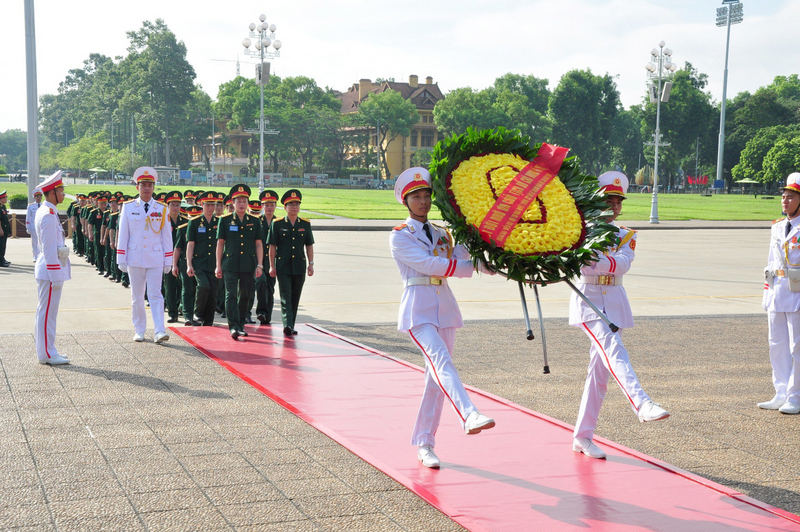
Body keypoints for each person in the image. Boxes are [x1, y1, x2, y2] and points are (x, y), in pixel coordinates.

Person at [389, 167, 496, 469]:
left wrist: (495, 261)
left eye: (426, 196)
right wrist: (468, 266)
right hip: (418, 310)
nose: (423, 202)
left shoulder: (442, 233)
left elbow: (466, 258)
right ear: (406, 201)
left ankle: (424, 443)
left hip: (445, 308)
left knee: (435, 380)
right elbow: (429, 265)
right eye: (416, 197)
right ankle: (469, 413)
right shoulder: (399, 236)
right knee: (441, 362)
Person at [570, 171, 669, 460]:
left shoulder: (626, 234)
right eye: (608, 200)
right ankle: (641, 403)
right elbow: (587, 267)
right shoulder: (580, 232)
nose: (613, 206)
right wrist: (608, 262)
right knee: (614, 350)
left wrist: (603, 262)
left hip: (615, 301)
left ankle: (583, 436)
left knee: (598, 374)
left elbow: (621, 265)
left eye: (617, 201)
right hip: (589, 301)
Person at [116, 167, 173, 343]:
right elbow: (123, 234)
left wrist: (168, 260)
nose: (147, 188)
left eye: (150, 185)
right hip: (135, 258)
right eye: (143, 185)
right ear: (137, 187)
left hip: (155, 258)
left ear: (154, 187)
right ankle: (139, 329)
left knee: (155, 294)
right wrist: (121, 258)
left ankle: (159, 330)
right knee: (137, 296)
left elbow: (166, 236)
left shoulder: (162, 208)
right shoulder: (128, 207)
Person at [760, 172, 800, 414]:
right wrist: (767, 293)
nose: (785, 201)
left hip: (798, 293)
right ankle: (781, 392)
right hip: (777, 291)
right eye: (784, 196)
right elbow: (771, 262)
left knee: (797, 347)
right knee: (776, 344)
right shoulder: (777, 226)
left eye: (791, 197)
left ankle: (795, 396)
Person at [216, 184, 263, 339]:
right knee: (231, 295)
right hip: (230, 264)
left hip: (248, 264)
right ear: (233, 203)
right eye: (239, 201)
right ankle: (233, 326)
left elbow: (258, 244)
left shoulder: (255, 221)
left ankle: (241, 324)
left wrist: (260, 264)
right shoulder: (225, 220)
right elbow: (220, 243)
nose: (242, 204)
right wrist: (218, 266)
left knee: (245, 295)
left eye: (244, 201)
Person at [34, 171, 71, 365]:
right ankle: (47, 354)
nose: (63, 194)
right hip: (49, 272)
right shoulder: (48, 215)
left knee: (47, 313)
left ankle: (48, 350)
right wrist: (56, 275)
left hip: (48, 270)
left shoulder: (48, 211)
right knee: (47, 313)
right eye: (61, 190)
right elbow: (49, 250)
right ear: (52, 193)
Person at [268, 189, 314, 336]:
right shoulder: (278, 224)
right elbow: (272, 247)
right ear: (285, 207)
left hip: (299, 266)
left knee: (295, 296)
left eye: (297, 204)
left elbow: (309, 245)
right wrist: (271, 266)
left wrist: (311, 263)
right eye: (291, 204)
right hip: (283, 266)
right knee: (285, 296)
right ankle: (287, 324)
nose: (294, 207)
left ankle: (291, 325)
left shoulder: (305, 224)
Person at [186, 192, 219, 326]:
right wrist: (189, 264)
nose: (210, 208)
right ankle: (198, 313)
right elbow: (190, 244)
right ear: (202, 205)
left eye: (213, 205)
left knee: (213, 294)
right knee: (204, 286)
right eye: (207, 205)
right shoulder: (194, 223)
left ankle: (208, 322)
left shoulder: (219, 222)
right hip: (199, 263)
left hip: (215, 264)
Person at [255, 189, 279, 324]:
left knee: (270, 288)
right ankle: (261, 311)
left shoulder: (279, 222)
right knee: (260, 282)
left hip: (273, 262)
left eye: (271, 205)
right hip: (259, 261)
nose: (269, 208)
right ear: (262, 206)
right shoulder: (257, 221)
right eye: (266, 205)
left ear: (275, 206)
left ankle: (266, 317)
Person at [163, 191, 184, 323]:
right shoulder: (163, 221)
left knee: (183, 285)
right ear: (168, 206)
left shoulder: (186, 221)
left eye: (177, 205)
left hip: (183, 258)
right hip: (168, 258)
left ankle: (181, 307)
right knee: (170, 286)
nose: (175, 208)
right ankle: (172, 312)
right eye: (173, 205)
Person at [25, 187, 43, 261]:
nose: (39, 198)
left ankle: (41, 256)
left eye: (40, 196)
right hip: (33, 226)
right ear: (34, 197)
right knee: (34, 242)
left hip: (41, 226)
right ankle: (35, 256)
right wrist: (28, 227)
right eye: (37, 196)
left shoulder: (43, 205)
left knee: (41, 241)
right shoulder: (31, 206)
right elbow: (28, 217)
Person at [0, 190, 10, 267]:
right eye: (5, 198)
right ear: (1, 199)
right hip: (1, 229)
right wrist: (0, 229)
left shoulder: (3, 206)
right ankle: (1, 261)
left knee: (3, 245)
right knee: (1, 245)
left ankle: (2, 259)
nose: (6, 199)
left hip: (5, 228)